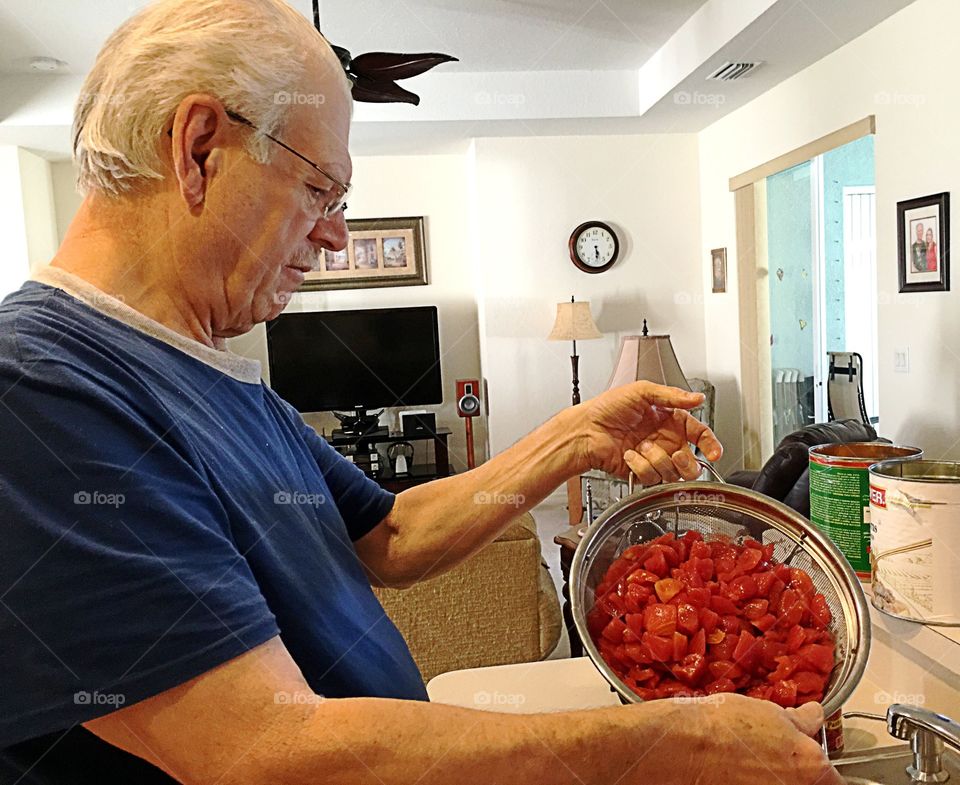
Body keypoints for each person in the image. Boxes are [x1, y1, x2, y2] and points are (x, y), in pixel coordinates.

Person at [0, 2, 843, 784]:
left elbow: (391, 535)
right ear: (198, 150)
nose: (334, 234)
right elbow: (255, 750)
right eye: (319, 189)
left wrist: (573, 438)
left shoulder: (217, 372)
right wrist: (660, 743)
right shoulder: (37, 388)